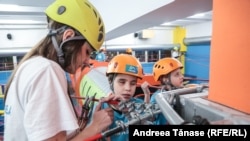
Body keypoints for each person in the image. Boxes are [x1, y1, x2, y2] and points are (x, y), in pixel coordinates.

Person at [3, 0, 114, 140]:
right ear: (68, 36)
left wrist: (92, 121)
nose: (87, 61)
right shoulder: (47, 71)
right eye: (87, 51)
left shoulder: (30, 66)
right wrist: (95, 127)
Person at [90, 54, 146, 141]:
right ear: (110, 81)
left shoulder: (139, 105)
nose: (128, 88)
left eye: (133, 83)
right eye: (122, 82)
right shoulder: (100, 108)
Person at [150, 57, 184, 125]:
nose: (182, 77)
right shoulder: (157, 97)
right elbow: (151, 118)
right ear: (165, 79)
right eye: (177, 74)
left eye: (180, 73)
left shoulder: (180, 92)